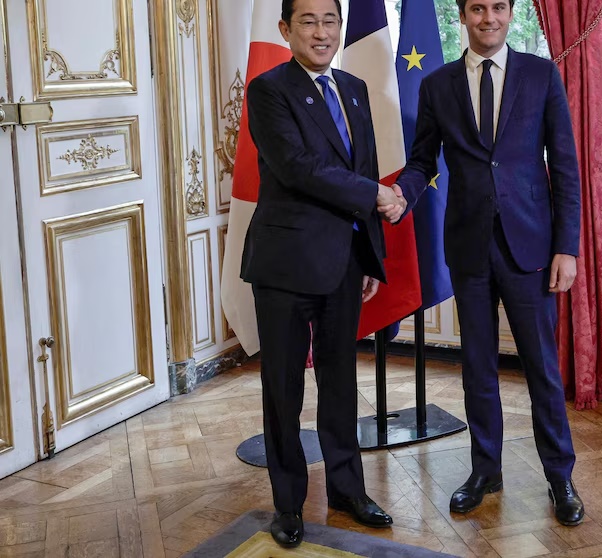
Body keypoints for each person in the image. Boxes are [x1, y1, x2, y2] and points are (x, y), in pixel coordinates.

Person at [391, 0, 585, 527]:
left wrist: (567, 247)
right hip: (469, 247)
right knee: (477, 366)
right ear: (463, 16)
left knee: (542, 368)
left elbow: (565, 165)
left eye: (498, 7)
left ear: (510, 12)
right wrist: (401, 194)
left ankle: (560, 476)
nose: (489, 18)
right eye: (477, 8)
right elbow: (422, 162)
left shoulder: (541, 75)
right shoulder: (437, 85)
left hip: (531, 247)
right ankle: (485, 470)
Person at [241, 0, 406, 547]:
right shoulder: (268, 90)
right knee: (283, 391)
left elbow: (363, 164)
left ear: (340, 27)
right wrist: (376, 195)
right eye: (308, 21)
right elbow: (298, 168)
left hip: (344, 263)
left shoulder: (354, 88)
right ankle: (288, 505)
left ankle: (347, 491)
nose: (321, 32)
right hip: (286, 266)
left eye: (330, 20)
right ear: (285, 29)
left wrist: (368, 255)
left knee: (340, 385)